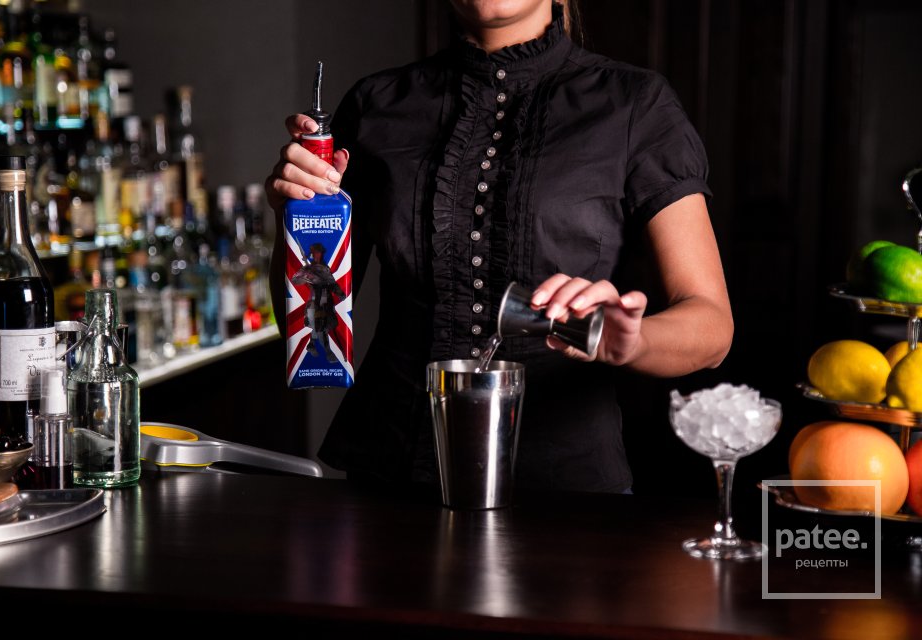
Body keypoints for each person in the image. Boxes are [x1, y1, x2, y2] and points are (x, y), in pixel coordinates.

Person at [266, 0, 733, 493]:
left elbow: (712, 326)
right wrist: (292, 219)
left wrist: (632, 341)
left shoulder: (635, 102)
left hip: (566, 489)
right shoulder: (376, 103)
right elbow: (306, 324)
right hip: (389, 480)